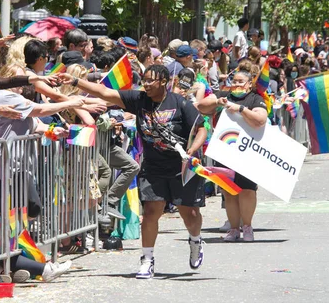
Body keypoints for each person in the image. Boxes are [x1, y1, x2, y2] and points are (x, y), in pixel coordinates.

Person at [58, 65, 207, 279]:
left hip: (182, 168)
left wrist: (193, 150)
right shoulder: (139, 100)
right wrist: (74, 81)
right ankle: (147, 260)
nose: (145, 84)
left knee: (190, 214)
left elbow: (201, 128)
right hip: (153, 167)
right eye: (144, 80)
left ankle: (195, 240)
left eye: (151, 80)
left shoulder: (180, 103)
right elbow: (104, 92)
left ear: (163, 81)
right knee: (150, 214)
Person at [198, 71, 268, 241]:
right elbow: (201, 106)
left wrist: (241, 109)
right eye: (234, 81)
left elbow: (260, 119)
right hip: (224, 151)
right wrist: (216, 102)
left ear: (249, 84)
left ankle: (247, 227)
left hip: (247, 153)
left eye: (241, 81)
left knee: (247, 191)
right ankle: (234, 229)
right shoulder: (223, 95)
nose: (237, 84)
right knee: (228, 192)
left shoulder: (255, 99)